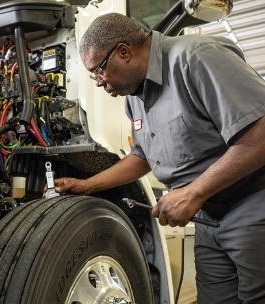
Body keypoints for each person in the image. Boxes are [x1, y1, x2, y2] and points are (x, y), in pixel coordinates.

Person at [54, 13, 265, 303]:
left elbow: (260, 135)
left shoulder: (197, 58)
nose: (99, 82)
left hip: (253, 204)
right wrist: (88, 185)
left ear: (124, 52)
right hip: (208, 219)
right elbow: (142, 156)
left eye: (99, 71)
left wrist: (193, 192)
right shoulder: (135, 96)